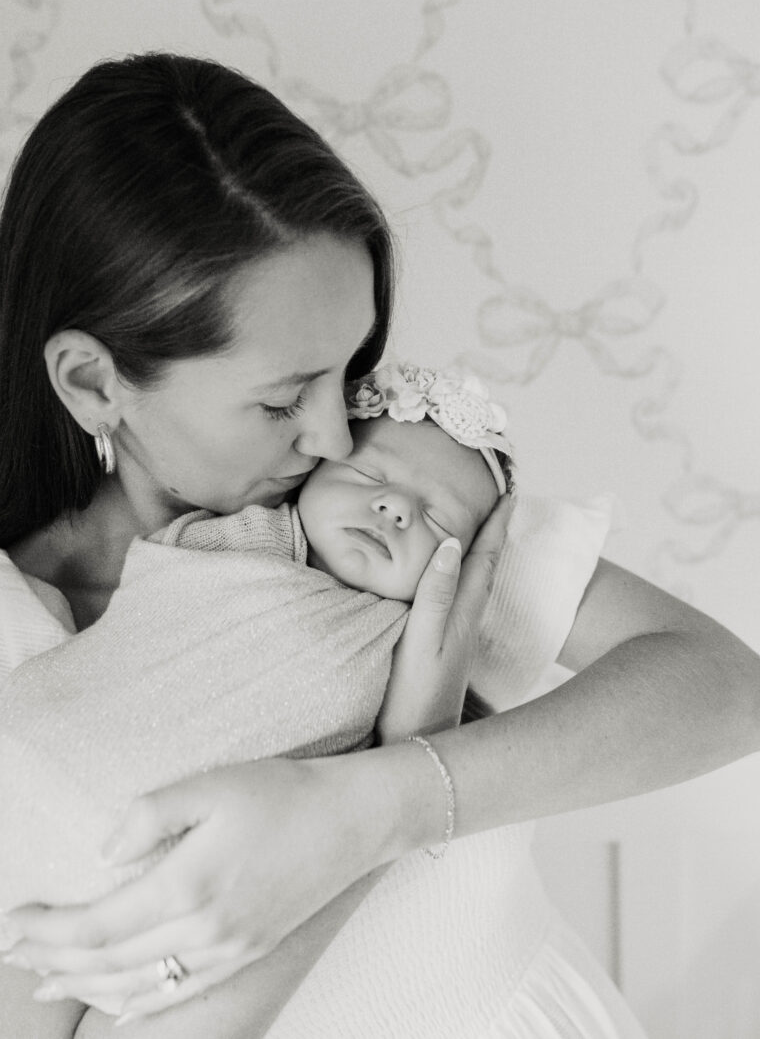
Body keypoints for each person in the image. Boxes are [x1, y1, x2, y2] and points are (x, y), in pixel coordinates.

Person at [0, 53, 757, 1039]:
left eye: (349, 367)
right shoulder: (25, 651)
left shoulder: (389, 504)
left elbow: (722, 687)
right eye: (280, 398)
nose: (329, 431)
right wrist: (370, 785)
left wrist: (384, 800)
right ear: (94, 383)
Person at [0, 361, 512, 914]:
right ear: (309, 476)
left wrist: (414, 745)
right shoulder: (246, 535)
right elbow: (160, 590)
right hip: (63, 748)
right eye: (368, 477)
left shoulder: (419, 645)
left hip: (211, 844)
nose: (396, 508)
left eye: (439, 520)